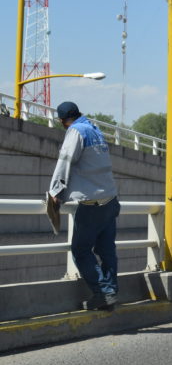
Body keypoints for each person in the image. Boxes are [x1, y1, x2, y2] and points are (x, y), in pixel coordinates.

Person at [49, 101, 120, 311]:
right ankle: (111, 292)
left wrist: (56, 192)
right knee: (106, 250)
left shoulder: (76, 131)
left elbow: (65, 161)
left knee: (80, 250)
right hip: (111, 200)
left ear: (63, 121)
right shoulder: (95, 130)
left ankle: (103, 293)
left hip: (92, 203)